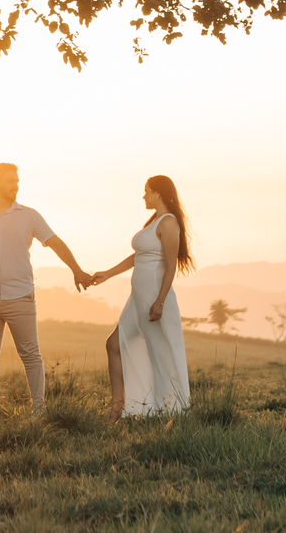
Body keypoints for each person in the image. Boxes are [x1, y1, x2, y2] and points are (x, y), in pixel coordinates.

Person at [0, 162, 93, 425]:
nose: (16, 186)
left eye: (18, 181)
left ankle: (39, 411)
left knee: (30, 355)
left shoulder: (29, 215)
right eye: (11, 181)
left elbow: (54, 242)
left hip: (20, 296)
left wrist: (76, 270)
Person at [87, 175, 193, 423]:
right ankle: (118, 407)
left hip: (155, 297)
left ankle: (168, 411)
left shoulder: (168, 223)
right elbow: (139, 256)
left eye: (146, 191)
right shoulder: (153, 221)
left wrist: (160, 301)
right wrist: (108, 274)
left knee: (160, 354)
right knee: (113, 345)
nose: (143, 196)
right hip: (137, 298)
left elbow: (170, 266)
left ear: (158, 193)